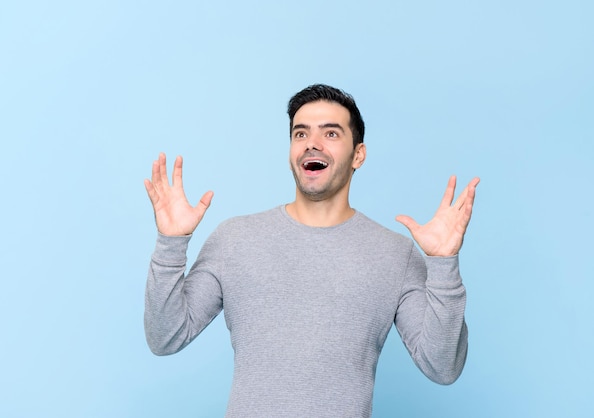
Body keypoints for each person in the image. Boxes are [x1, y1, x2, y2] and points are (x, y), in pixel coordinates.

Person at [144, 84, 480, 417]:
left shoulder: (395, 254)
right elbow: (166, 337)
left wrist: (443, 264)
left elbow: (442, 367)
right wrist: (170, 243)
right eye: (300, 134)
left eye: (331, 134)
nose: (311, 145)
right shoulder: (234, 239)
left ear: (358, 155)